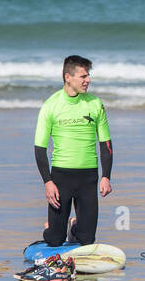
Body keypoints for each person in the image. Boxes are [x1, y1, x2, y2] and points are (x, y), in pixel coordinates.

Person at [33, 56, 112, 247]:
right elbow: (39, 149)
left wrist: (106, 176)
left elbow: (106, 143)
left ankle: (75, 227)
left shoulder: (95, 104)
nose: (88, 80)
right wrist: (48, 182)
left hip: (88, 177)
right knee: (54, 240)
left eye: (88, 75)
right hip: (61, 178)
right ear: (68, 77)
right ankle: (52, 227)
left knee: (87, 240)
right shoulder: (51, 105)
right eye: (83, 76)